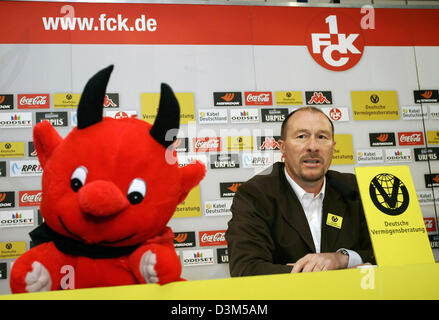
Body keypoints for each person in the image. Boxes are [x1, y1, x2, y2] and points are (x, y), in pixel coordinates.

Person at [225, 106, 375, 276]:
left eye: (322, 137)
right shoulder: (255, 194)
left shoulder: (356, 188)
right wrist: (328, 277)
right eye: (302, 136)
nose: (313, 146)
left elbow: (389, 253)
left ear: (332, 148)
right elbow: (246, 269)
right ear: (283, 148)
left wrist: (342, 258)